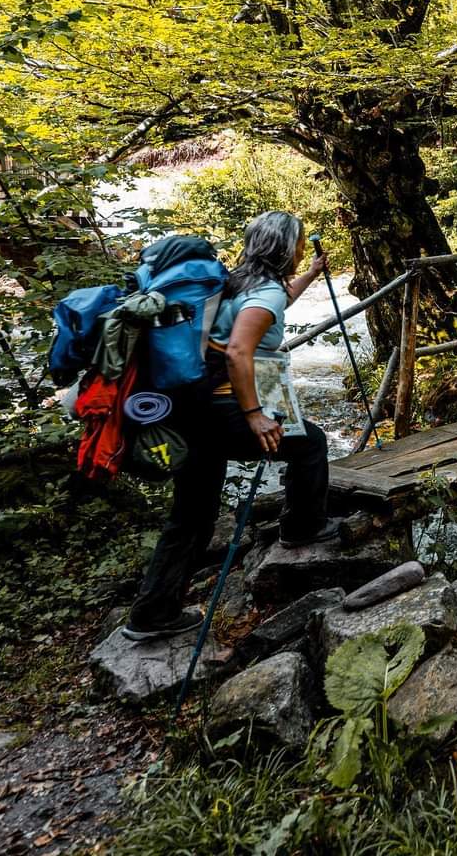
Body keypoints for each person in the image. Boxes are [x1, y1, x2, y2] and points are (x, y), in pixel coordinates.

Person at [124, 211, 333, 641]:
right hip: (224, 411)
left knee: (192, 514)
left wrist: (310, 275)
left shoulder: (238, 280)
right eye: (298, 246)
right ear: (284, 247)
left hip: (190, 408)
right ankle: (301, 528)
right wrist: (255, 414)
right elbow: (239, 351)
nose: (300, 251)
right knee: (309, 443)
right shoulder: (264, 292)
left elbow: (272, 303)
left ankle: (151, 614)